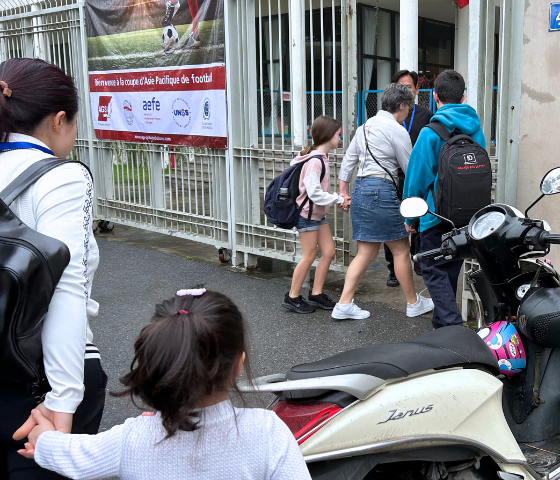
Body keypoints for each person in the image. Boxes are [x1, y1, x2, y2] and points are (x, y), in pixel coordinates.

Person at [16, 288, 312, 480]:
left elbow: (77, 456)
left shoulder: (131, 438)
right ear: (238, 364)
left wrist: (43, 440)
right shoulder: (267, 431)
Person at [0, 58, 106, 479]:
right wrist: (63, 400)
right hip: (39, 381)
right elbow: (64, 288)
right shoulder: (60, 178)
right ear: (59, 120)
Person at [333, 83, 434, 320]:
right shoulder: (397, 130)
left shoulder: (364, 127)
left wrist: (343, 193)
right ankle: (413, 303)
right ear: (401, 105)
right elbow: (410, 169)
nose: (410, 111)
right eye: (409, 107)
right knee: (400, 250)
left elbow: (348, 162)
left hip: (361, 189)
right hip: (382, 191)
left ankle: (344, 303)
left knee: (365, 253)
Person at [403, 69, 486, 329]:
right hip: (465, 217)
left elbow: (417, 177)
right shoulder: (475, 130)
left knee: (433, 270)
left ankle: (452, 328)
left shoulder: (430, 133)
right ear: (463, 97)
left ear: (435, 96)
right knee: (449, 272)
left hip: (434, 217)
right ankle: (442, 332)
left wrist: (410, 215)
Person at [281, 116, 349, 314]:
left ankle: (316, 294)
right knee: (309, 255)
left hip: (316, 215)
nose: (340, 137)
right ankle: (292, 296)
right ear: (328, 136)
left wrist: (336, 199)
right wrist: (337, 198)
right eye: (338, 134)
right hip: (307, 215)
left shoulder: (321, 158)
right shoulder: (315, 161)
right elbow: (313, 193)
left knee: (328, 252)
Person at [382, 70, 432, 286]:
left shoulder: (426, 115)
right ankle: (393, 269)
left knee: (418, 217)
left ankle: (418, 260)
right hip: (393, 177)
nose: (405, 91)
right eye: (400, 87)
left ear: (416, 90)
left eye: (408, 88)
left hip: (417, 176)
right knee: (393, 221)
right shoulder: (387, 117)